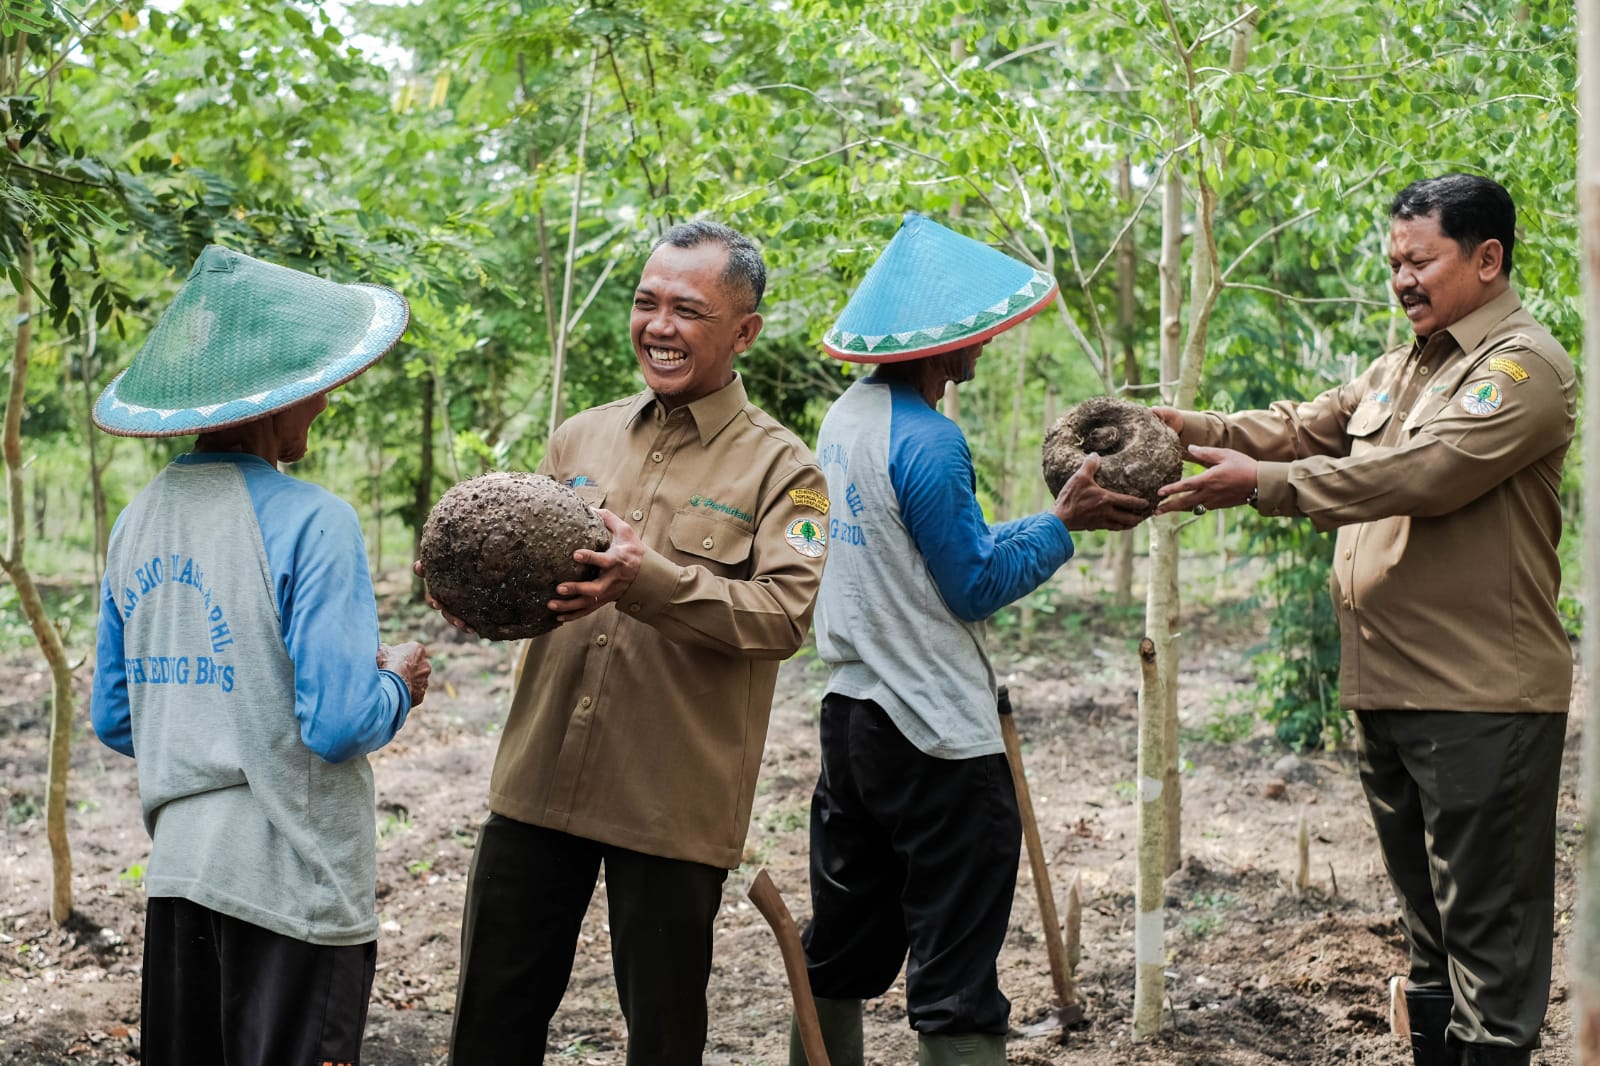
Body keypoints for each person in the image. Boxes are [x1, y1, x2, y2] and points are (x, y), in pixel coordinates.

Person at [1154, 174, 1574, 1066]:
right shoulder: (1401, 369)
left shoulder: (1520, 369)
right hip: (1389, 691)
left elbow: (1424, 475)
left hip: (1479, 701)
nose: (1402, 280)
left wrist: (1263, 489)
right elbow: (1302, 427)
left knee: (1489, 950)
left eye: (1421, 261)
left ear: (1488, 259)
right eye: (1393, 263)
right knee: (1429, 935)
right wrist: (1179, 426)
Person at [442, 220, 830, 1064]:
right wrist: (476, 595)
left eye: (687, 309)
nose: (659, 325)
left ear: (744, 331)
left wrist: (647, 579)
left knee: (661, 1037)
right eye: (646, 302)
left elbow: (783, 618)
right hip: (539, 779)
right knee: (490, 1023)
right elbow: (534, 588)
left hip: (670, 800)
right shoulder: (578, 438)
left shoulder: (786, 471)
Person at [795, 213, 1150, 1066]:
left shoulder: (841, 422)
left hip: (851, 720)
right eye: (975, 337)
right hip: (936, 736)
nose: (982, 350)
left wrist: (1039, 524)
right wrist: (1064, 525)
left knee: (841, 944)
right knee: (956, 970)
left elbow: (879, 555)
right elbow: (975, 583)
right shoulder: (933, 442)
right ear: (944, 347)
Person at [89, 245, 433, 1066]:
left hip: (178, 879)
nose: (323, 401)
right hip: (292, 879)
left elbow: (114, 716)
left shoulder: (136, 522)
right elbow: (339, 724)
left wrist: (209, 718)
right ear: (277, 396)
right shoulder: (316, 521)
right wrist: (400, 683)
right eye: (314, 382)